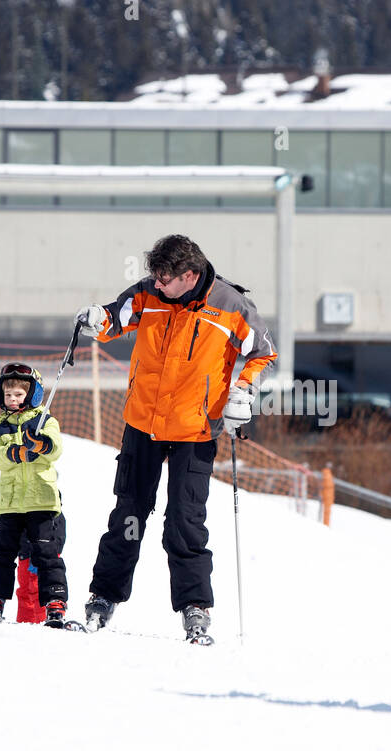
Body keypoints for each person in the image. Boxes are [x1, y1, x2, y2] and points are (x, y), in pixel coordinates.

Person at [72, 234, 277, 642]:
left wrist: (243, 391)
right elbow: (117, 318)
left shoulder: (231, 306)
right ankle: (102, 598)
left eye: (164, 278)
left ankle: (195, 608)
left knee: (184, 521)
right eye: (154, 276)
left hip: (195, 430)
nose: (156, 284)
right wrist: (98, 319)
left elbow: (264, 354)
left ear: (189, 275)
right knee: (128, 514)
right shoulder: (149, 294)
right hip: (143, 423)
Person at [0, 363, 74, 628]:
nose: (12, 399)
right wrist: (15, 452)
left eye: (18, 395)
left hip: (41, 501)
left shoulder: (45, 422)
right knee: (2, 551)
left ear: (32, 395)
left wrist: (40, 444)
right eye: (8, 394)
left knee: (47, 552)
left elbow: (55, 448)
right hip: (11, 505)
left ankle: (55, 603)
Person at [0, 500, 66, 624]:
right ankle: (26, 623)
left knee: (37, 589)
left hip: (42, 554)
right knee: (25, 591)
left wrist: (49, 553)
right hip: (24, 553)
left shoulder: (47, 499)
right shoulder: (14, 493)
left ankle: (48, 618)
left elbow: (58, 529)